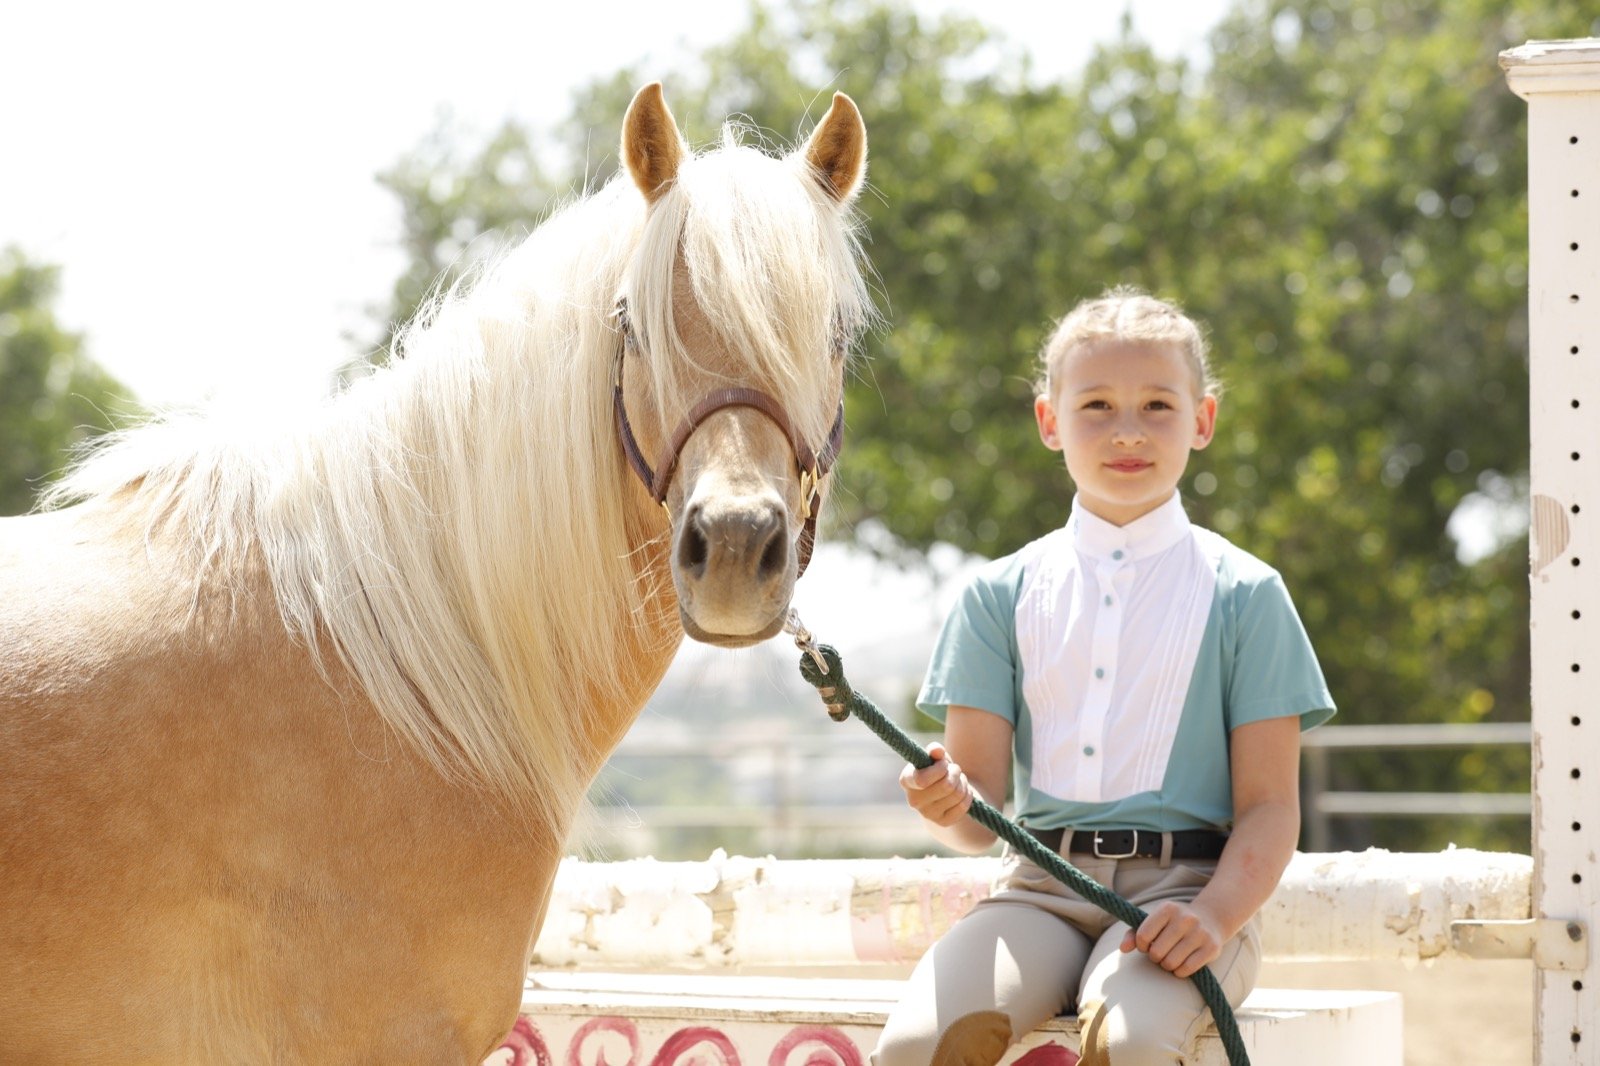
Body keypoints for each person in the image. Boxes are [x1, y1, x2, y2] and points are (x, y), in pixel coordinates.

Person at [872, 287, 1335, 1066]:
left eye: (1158, 405)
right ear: (1050, 422)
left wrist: (1216, 917)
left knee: (1131, 1044)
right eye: (1095, 405)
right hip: (1039, 891)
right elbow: (971, 820)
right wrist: (947, 800)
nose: (1127, 431)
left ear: (1203, 421)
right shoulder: (998, 595)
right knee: (921, 1046)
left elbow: (1268, 809)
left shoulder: (1248, 594)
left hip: (1183, 895)